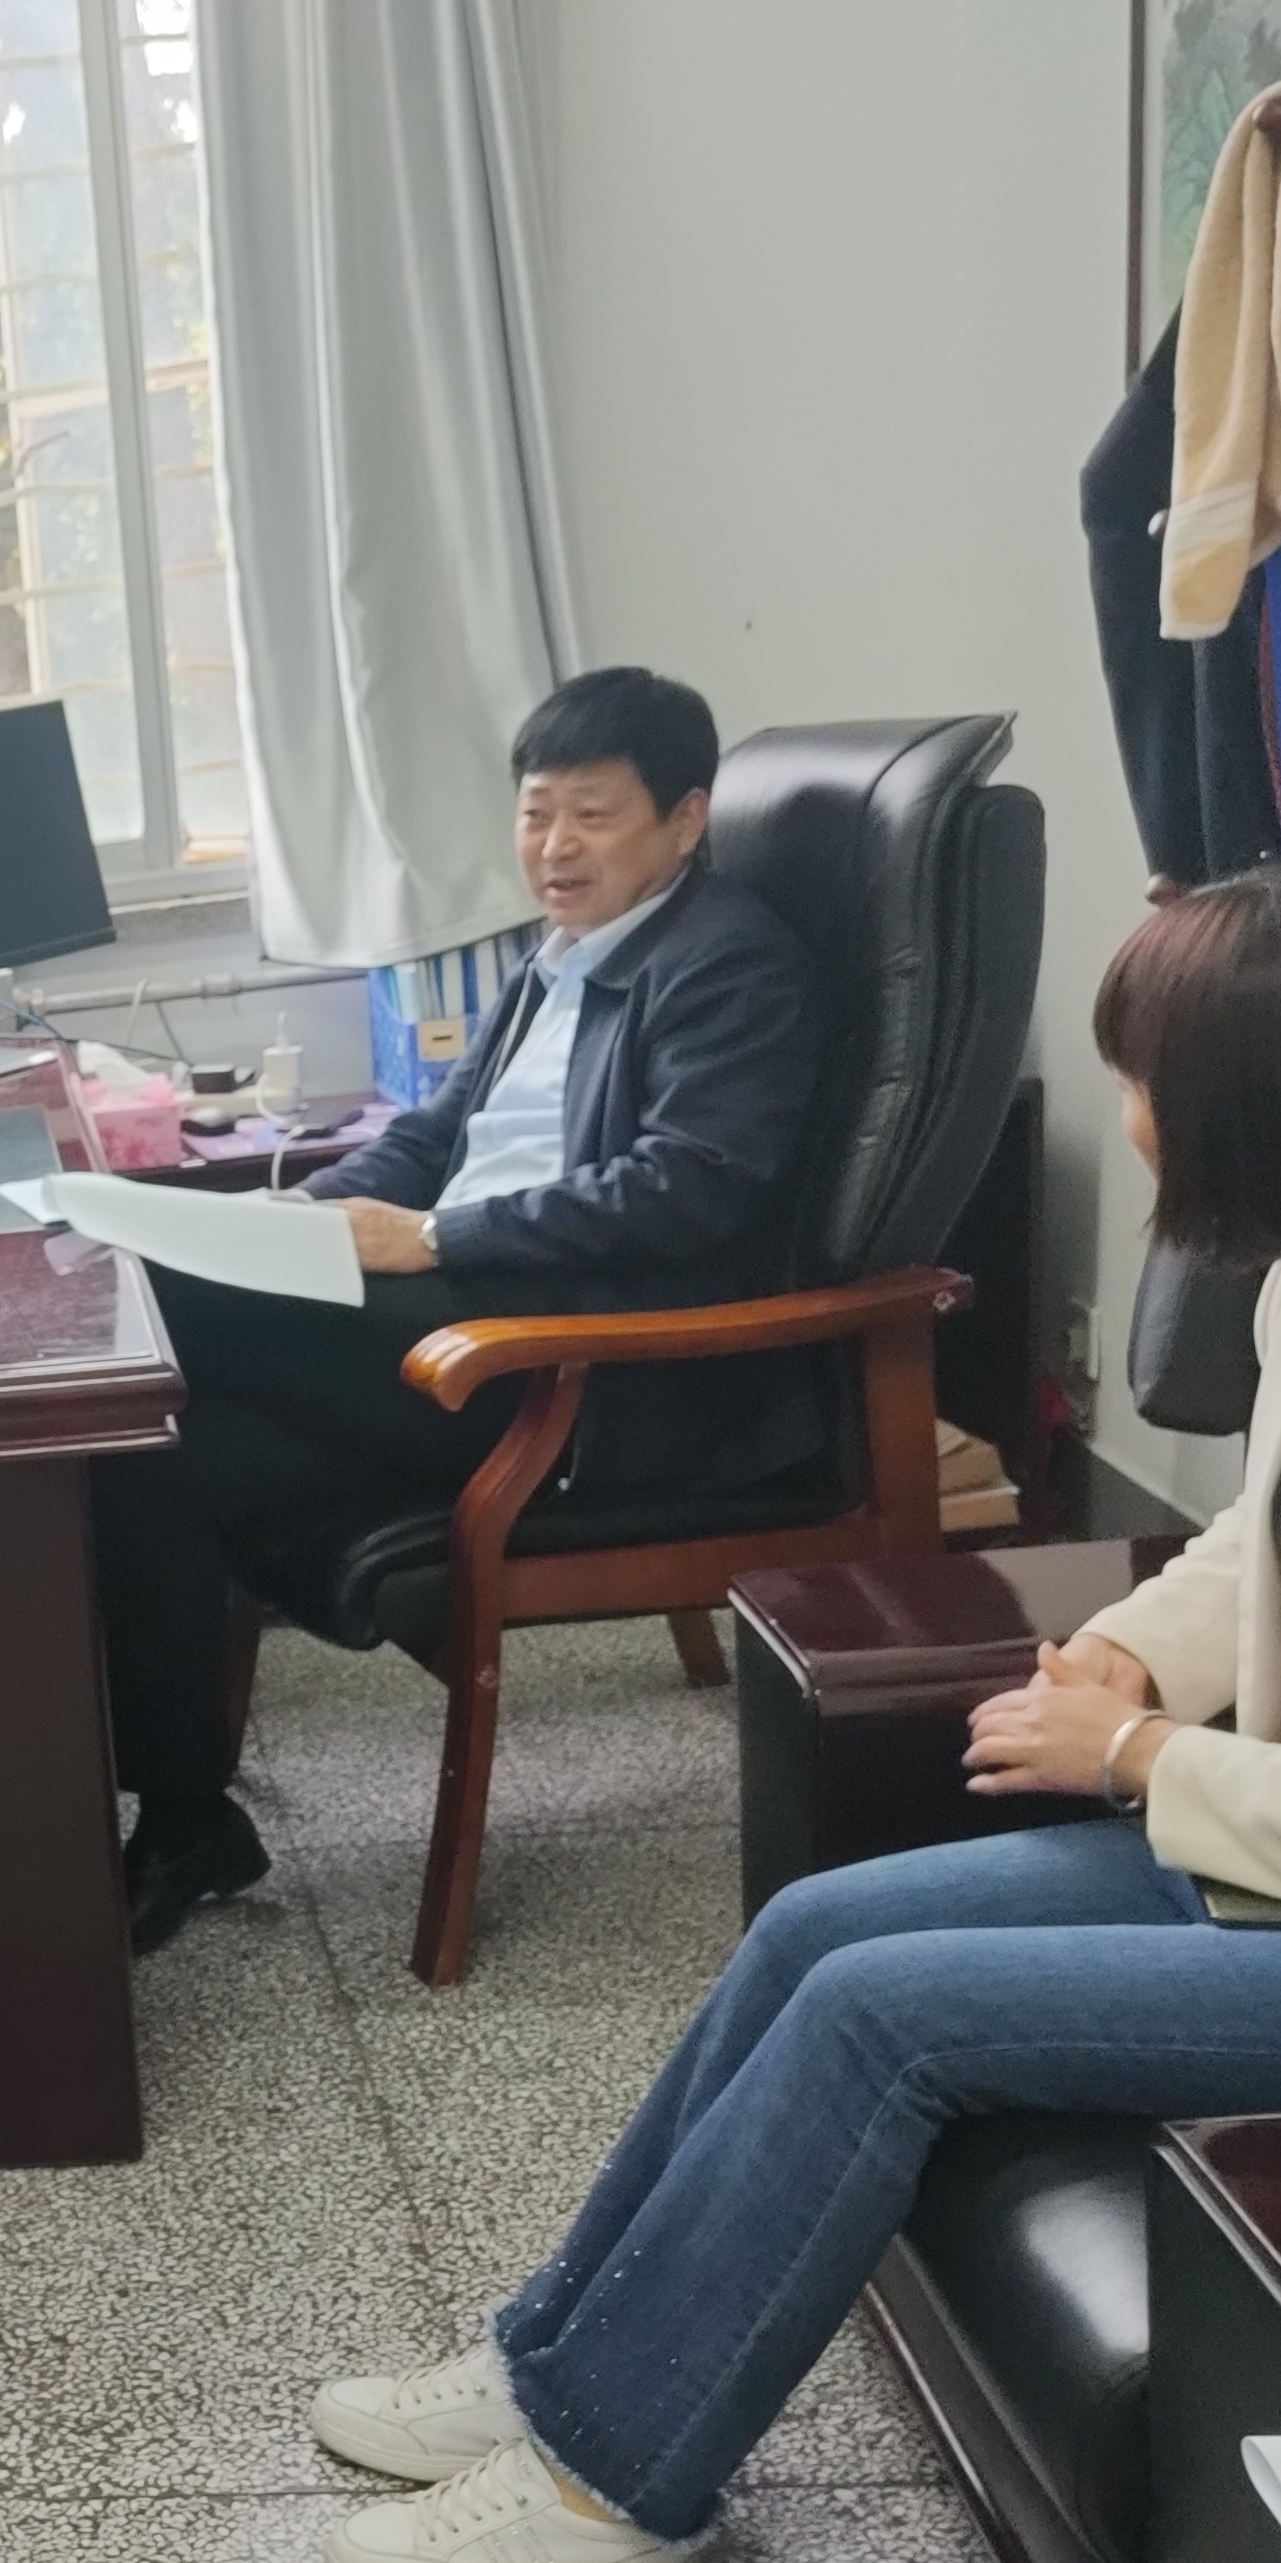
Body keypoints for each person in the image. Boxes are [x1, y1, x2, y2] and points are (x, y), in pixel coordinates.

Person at [303, 860, 1281, 2563]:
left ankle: (611, 2489)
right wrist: (1123, 1650)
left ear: (1270, 1115)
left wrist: (1140, 1762)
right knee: (818, 1927)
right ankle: (552, 2355)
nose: (1130, 1121)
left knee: (887, 2015)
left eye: (1146, 1084)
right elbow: (1259, 1542)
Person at [94, 667, 825, 1947]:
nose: (554, 848)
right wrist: (301, 1219)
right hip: (458, 1316)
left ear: (685, 820)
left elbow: (691, 1189)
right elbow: (436, 1135)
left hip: (564, 1373)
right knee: (162, 1449)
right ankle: (183, 1817)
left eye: (592, 815)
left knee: (142, 1288)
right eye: (535, 814)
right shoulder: (561, 955)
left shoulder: (729, 966)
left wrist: (435, 1235)